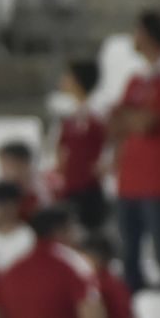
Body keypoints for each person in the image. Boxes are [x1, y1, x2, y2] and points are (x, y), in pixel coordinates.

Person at [109, 10, 160, 294]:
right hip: (130, 178)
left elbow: (146, 123)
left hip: (157, 179)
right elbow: (116, 123)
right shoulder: (137, 80)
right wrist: (133, 119)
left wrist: (132, 118)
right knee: (129, 254)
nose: (134, 37)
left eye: (138, 31)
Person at [52, 58, 108, 232]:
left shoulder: (98, 114)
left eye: (67, 75)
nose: (63, 79)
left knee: (89, 234)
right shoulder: (71, 116)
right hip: (71, 185)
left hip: (89, 187)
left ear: (77, 80)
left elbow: (110, 143)